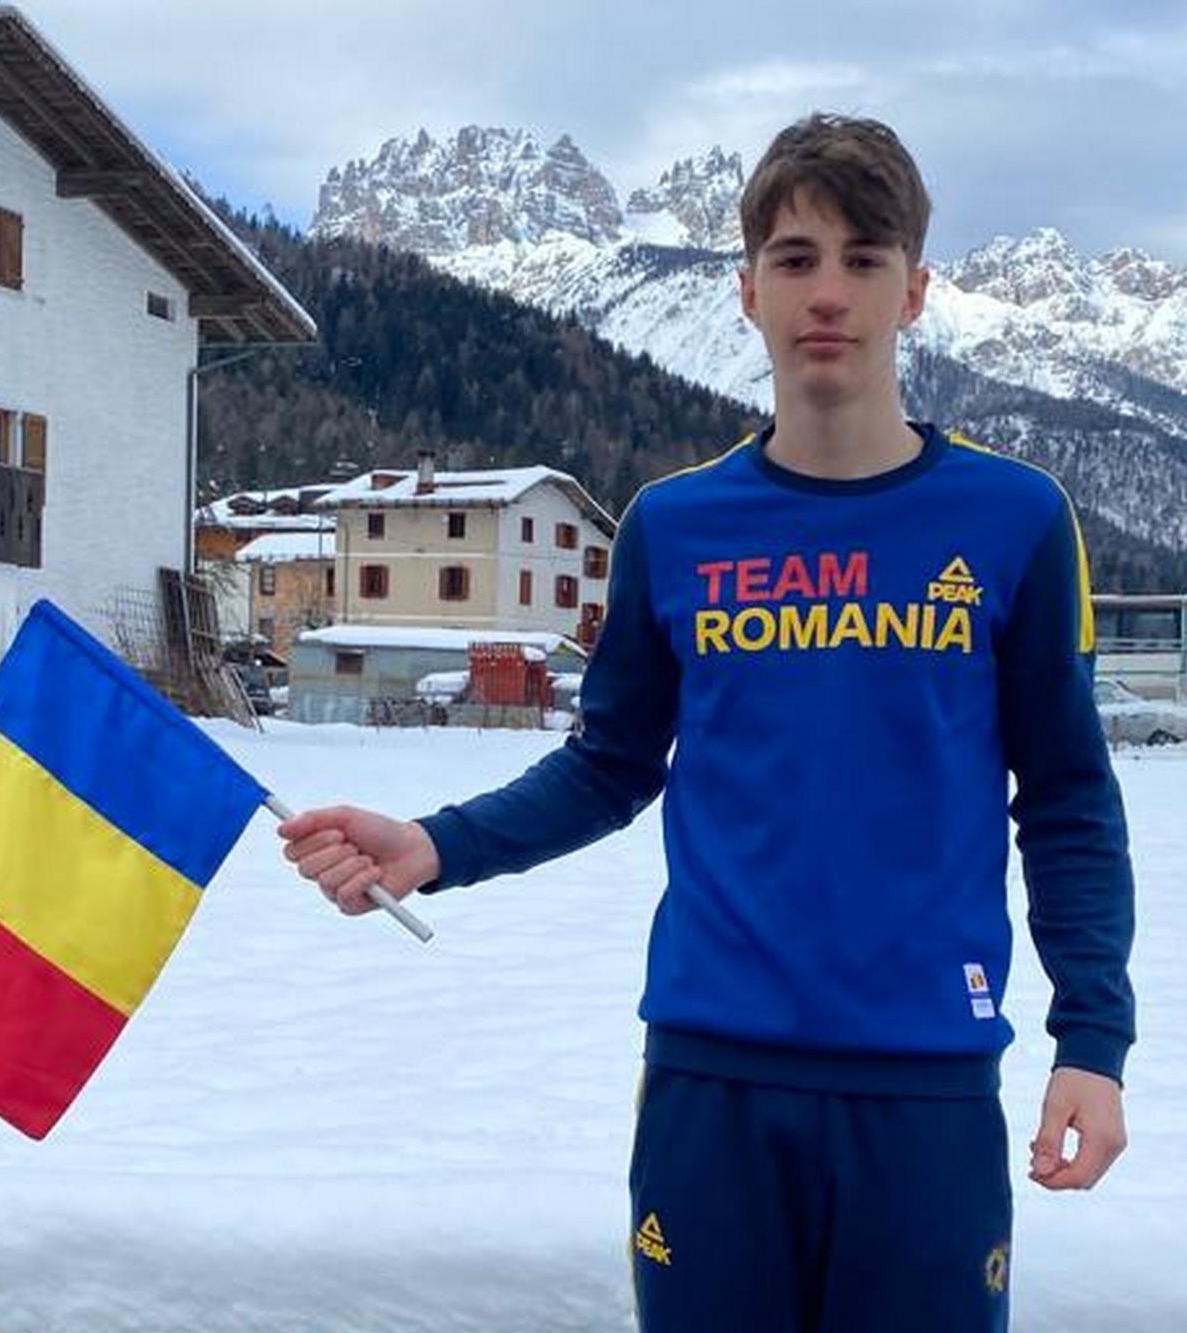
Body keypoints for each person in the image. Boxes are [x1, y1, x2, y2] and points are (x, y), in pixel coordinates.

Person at [279, 112, 1136, 1333]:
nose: (826, 291)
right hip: (711, 1079)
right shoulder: (674, 526)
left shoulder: (1014, 520)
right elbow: (608, 764)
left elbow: (1065, 799)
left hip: (926, 1087)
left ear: (913, 290)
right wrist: (436, 844)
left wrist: (1090, 1038)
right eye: (794, 258)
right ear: (746, 290)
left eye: (863, 257)